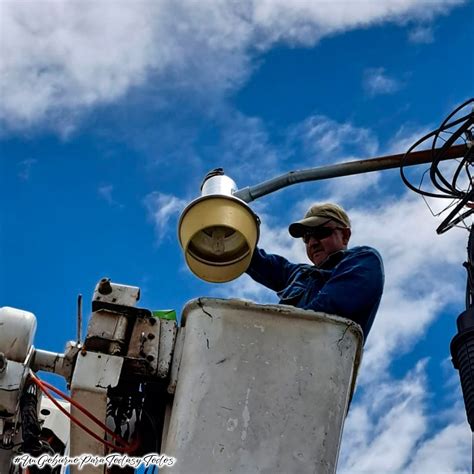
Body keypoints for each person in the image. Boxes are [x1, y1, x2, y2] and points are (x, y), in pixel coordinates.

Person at [245, 203, 384, 343]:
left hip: (322, 360)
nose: (312, 243)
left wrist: (270, 337)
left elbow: (323, 314)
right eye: (306, 237)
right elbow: (252, 257)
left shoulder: (364, 260)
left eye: (320, 233)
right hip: (282, 356)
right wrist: (231, 231)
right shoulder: (298, 274)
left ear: (345, 236)